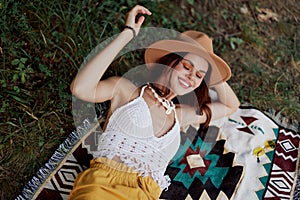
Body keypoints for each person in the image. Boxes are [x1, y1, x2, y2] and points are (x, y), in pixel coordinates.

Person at [69, 5, 240, 200]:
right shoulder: (127, 90)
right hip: (105, 186)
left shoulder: (180, 114)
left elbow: (230, 106)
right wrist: (127, 34)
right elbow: (81, 88)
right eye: (186, 66)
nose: (192, 76)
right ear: (169, 61)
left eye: (199, 76)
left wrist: (213, 71)